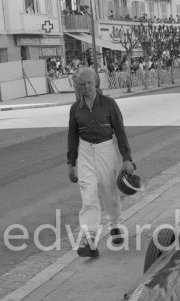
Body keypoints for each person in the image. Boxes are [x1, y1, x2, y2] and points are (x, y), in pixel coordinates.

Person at [67, 68, 134, 258]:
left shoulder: (109, 105)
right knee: (88, 196)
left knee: (109, 191)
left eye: (89, 83)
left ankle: (115, 225)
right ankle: (89, 242)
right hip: (85, 152)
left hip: (105, 149)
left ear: (96, 82)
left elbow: (120, 132)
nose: (86, 87)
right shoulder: (75, 109)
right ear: (78, 86)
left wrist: (127, 158)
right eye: (82, 84)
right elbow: (72, 137)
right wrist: (71, 163)